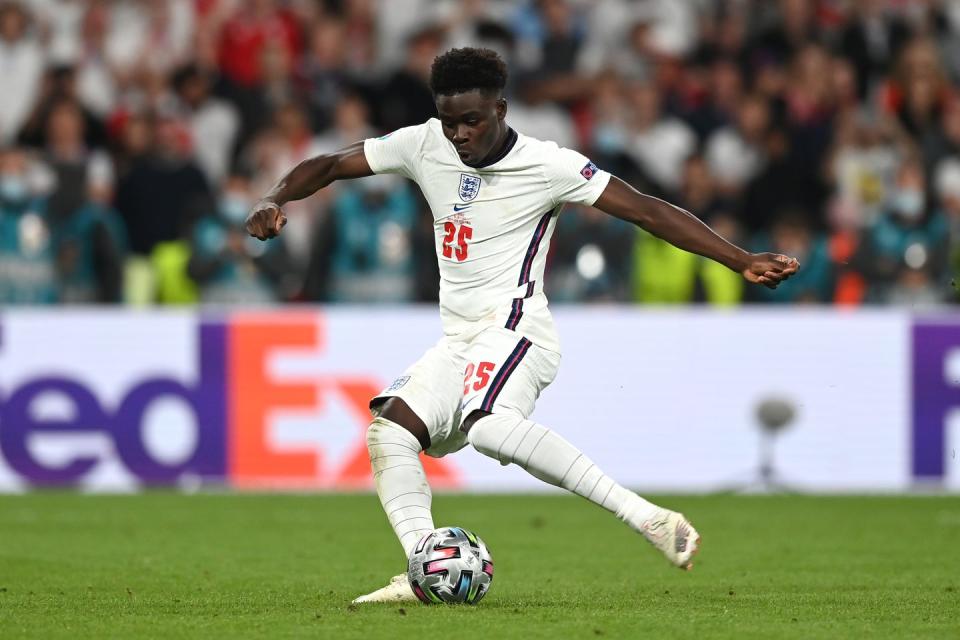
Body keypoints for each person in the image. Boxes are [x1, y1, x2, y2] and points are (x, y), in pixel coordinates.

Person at [245, 48, 800, 603]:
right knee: (388, 432)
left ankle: (648, 518)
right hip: (459, 338)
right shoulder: (423, 144)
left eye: (472, 120)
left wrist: (739, 258)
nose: (459, 133)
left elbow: (647, 210)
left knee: (487, 425)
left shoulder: (550, 165)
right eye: (449, 121)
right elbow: (333, 163)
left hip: (518, 329)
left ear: (502, 108)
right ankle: (424, 567)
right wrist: (274, 197)